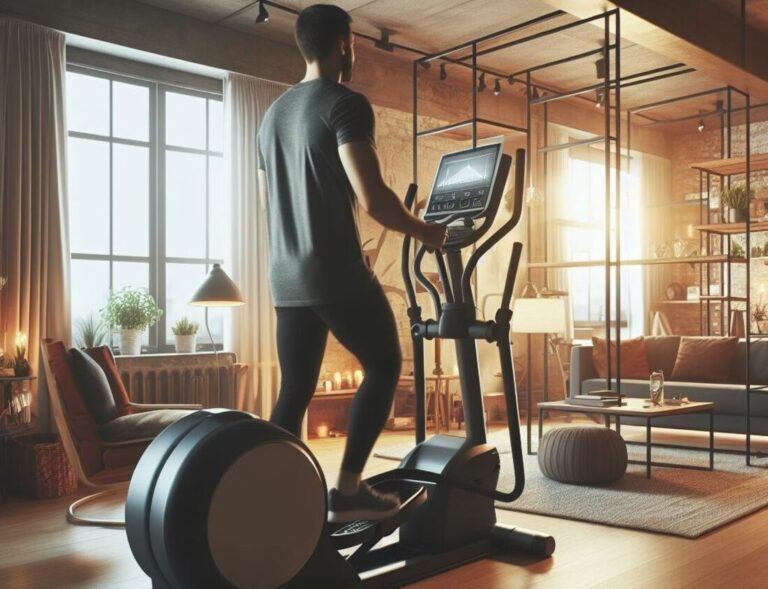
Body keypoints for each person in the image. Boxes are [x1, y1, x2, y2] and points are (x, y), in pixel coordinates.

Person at [257, 4, 446, 523]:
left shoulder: (271, 116)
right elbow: (374, 200)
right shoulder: (345, 104)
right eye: (353, 42)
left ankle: (273, 500)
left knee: (294, 390)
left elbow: (278, 203)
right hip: (333, 272)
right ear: (344, 43)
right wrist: (430, 231)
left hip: (286, 276)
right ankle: (347, 492)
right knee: (385, 366)